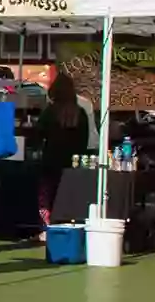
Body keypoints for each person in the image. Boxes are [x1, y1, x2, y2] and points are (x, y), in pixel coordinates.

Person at [36, 70, 92, 229]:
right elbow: (84, 140)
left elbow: (38, 133)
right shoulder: (80, 113)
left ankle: (48, 224)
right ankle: (67, 222)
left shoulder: (50, 112)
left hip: (51, 159)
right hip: (72, 162)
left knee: (48, 193)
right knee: (68, 194)